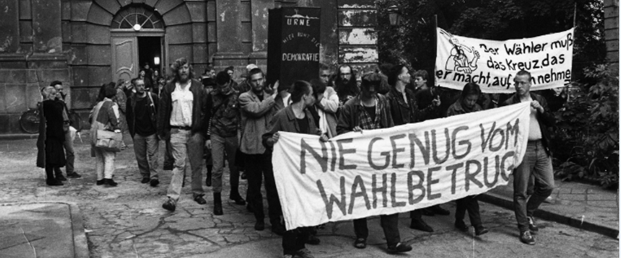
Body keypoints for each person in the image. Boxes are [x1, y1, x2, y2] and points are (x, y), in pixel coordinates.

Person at [336, 73, 412, 254]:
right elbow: (340, 130)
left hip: (382, 158)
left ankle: (393, 241)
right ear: (362, 88)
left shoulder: (384, 102)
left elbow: (391, 126)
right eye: (368, 89)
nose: (371, 93)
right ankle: (361, 235)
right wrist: (351, 132)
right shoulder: (350, 106)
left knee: (388, 197)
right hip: (361, 160)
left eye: (374, 90)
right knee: (360, 197)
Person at [263, 80, 320, 258]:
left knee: (305, 208)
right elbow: (265, 137)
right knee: (290, 209)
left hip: (304, 171)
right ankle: (289, 249)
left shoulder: (309, 115)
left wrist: (320, 137)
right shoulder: (282, 116)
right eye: (311, 95)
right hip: (288, 172)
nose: (313, 98)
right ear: (304, 96)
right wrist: (271, 141)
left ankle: (300, 245)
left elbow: (311, 137)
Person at [502, 70, 555, 245]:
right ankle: (524, 228)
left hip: (541, 147)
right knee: (521, 191)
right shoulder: (510, 103)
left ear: (530, 83)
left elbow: (551, 121)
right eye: (516, 82)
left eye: (523, 82)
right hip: (522, 150)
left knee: (547, 186)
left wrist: (540, 109)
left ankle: (529, 212)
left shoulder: (539, 100)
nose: (519, 86)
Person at [384, 65, 439, 233]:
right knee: (396, 182)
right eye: (406, 73)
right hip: (399, 146)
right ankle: (390, 221)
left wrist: (432, 107)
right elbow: (389, 123)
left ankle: (417, 218)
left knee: (417, 180)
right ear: (399, 77)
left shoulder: (409, 95)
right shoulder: (389, 98)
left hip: (413, 144)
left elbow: (416, 117)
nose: (410, 75)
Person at [158, 57, 209, 212]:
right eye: (180, 68)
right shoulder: (169, 88)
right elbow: (163, 110)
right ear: (176, 71)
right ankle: (172, 198)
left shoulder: (198, 87)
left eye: (186, 67)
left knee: (196, 164)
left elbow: (205, 110)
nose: (183, 70)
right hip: (177, 131)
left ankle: (198, 192)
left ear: (190, 69)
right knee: (179, 164)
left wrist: (203, 131)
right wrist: (163, 131)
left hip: (194, 132)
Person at [238, 68, 285, 235]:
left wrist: (276, 95)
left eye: (260, 80)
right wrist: (272, 97)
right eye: (254, 80)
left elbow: (280, 113)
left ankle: (275, 220)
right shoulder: (244, 98)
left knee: (272, 187)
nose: (258, 83)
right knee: (255, 186)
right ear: (250, 82)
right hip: (251, 148)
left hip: (269, 147)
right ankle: (259, 218)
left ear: (264, 79)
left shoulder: (269, 96)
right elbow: (256, 110)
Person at [446, 82, 489, 236]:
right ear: (463, 97)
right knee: (469, 191)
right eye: (469, 100)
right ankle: (477, 225)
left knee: (469, 191)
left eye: (474, 100)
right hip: (458, 156)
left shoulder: (478, 110)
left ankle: (461, 220)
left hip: (473, 156)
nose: (471, 103)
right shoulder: (453, 110)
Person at [207, 71, 246, 215]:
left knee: (235, 167)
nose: (223, 90)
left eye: (225, 86)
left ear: (230, 83)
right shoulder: (212, 96)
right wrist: (207, 137)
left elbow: (242, 117)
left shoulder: (237, 95)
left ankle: (234, 192)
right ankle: (217, 199)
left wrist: (242, 136)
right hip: (216, 134)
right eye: (220, 87)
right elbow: (207, 116)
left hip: (232, 134)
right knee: (217, 168)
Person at [126, 78, 160, 187]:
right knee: (140, 156)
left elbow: (159, 112)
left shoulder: (152, 97)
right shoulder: (131, 100)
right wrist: (133, 132)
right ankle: (145, 174)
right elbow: (129, 117)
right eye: (139, 85)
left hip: (151, 131)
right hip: (138, 132)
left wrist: (159, 129)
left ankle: (154, 176)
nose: (141, 87)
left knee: (153, 155)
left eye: (142, 85)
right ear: (135, 87)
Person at [89, 82, 122, 187]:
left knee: (99, 156)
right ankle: (108, 178)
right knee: (109, 156)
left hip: (94, 132)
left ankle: (100, 178)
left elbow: (90, 118)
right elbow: (114, 119)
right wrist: (117, 129)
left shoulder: (98, 104)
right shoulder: (111, 105)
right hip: (104, 133)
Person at [51, 81, 82, 179]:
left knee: (70, 151)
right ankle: (57, 172)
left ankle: (70, 171)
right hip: (57, 129)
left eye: (61, 89)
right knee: (57, 152)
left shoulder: (62, 100)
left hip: (66, 128)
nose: (60, 91)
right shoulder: (51, 102)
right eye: (57, 89)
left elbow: (65, 113)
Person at [36, 86, 66, 186]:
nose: (55, 96)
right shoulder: (49, 104)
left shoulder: (47, 104)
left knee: (52, 157)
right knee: (51, 157)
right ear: (49, 95)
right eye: (53, 94)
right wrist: (61, 100)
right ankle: (51, 178)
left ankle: (53, 176)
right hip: (52, 134)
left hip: (51, 134)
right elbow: (59, 109)